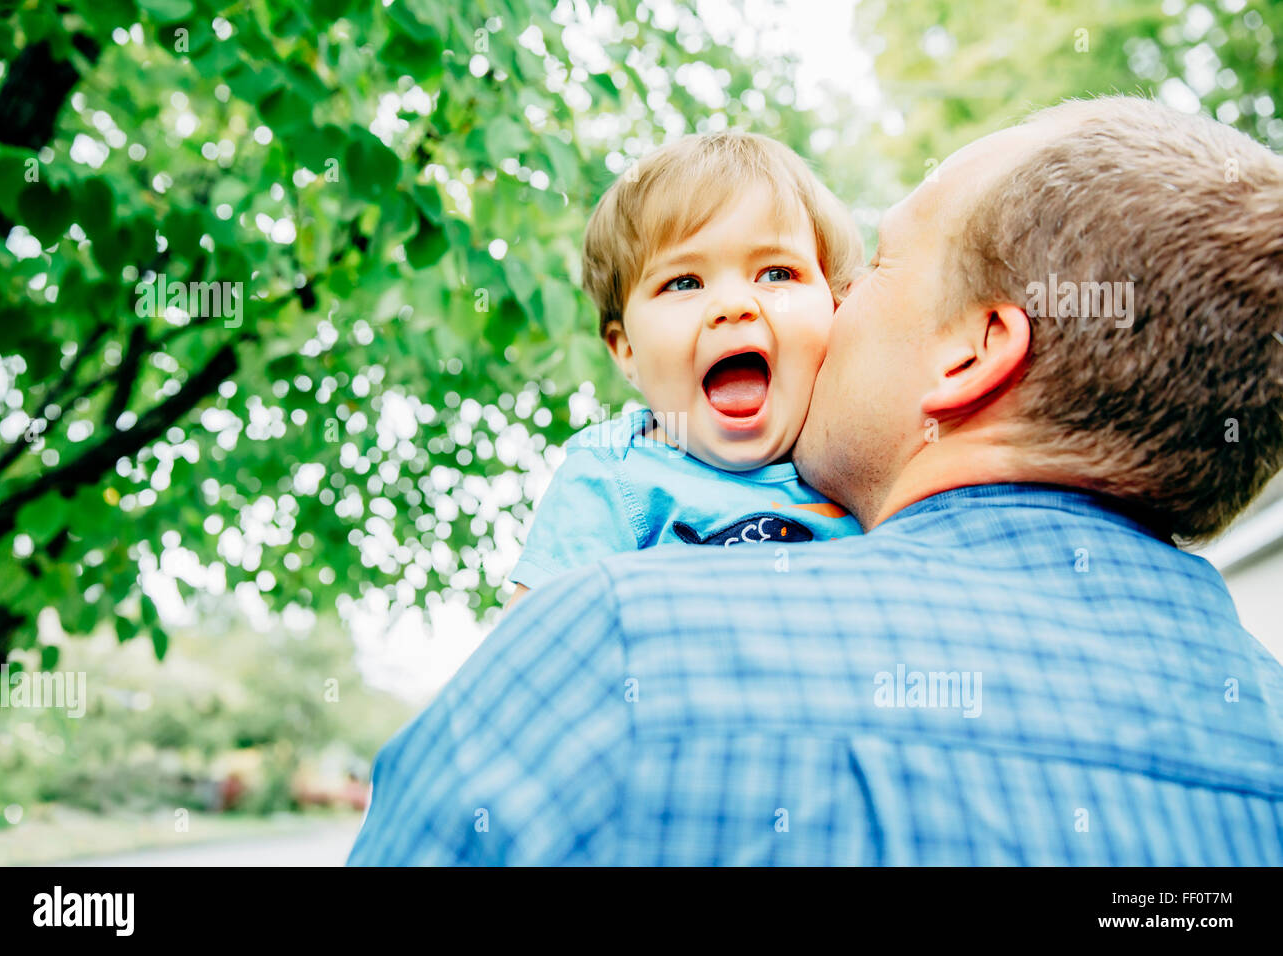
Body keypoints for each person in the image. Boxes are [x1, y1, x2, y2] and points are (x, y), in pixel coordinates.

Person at [349, 96, 1283, 865]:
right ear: (623, 345)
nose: (813, 312)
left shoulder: (612, 651)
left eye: (871, 268)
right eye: (684, 284)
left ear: (973, 353)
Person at [507, 132, 863, 607]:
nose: (734, 306)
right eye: (683, 282)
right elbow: (529, 654)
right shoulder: (615, 478)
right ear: (627, 349)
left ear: (838, 305)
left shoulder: (865, 456)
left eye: (776, 273)